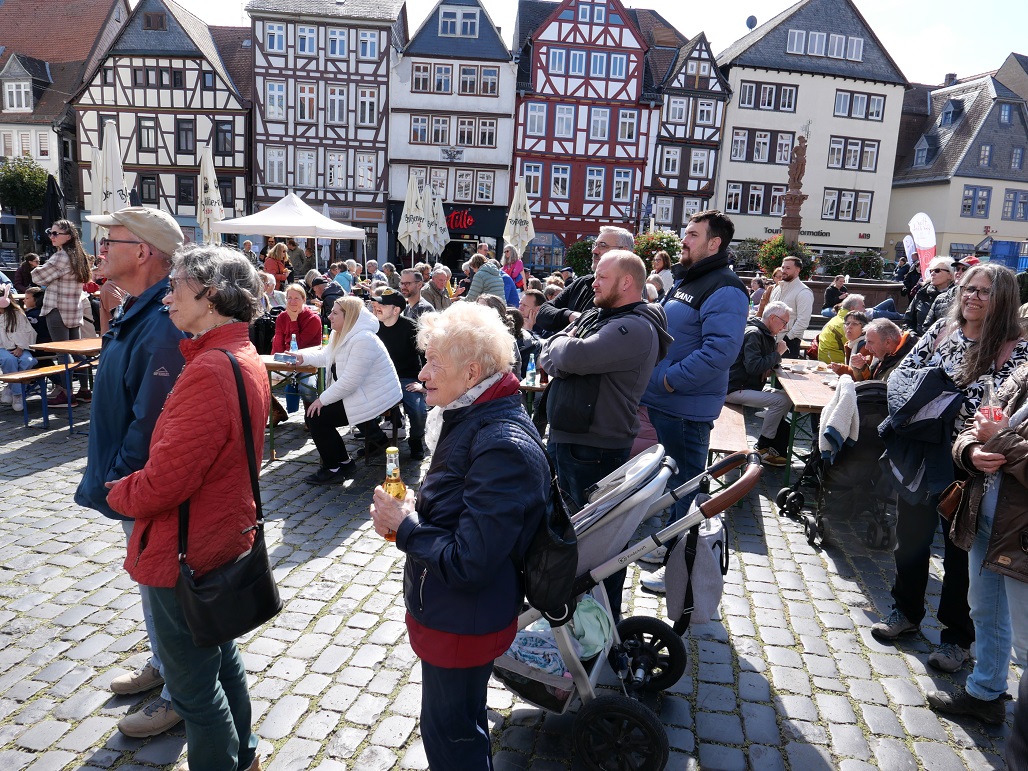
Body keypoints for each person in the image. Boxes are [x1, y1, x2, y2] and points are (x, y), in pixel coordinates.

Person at [105, 244, 269, 771]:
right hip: (216, 536)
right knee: (219, 657)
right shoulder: (239, 354)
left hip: (185, 548)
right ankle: (244, 756)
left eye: (176, 285)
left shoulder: (211, 368)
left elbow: (165, 482)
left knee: (195, 690)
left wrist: (117, 492)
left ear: (213, 295)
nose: (167, 296)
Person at [370, 302, 548, 771]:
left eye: (434, 363)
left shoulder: (497, 441)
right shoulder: (471, 413)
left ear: (471, 373)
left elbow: (471, 560)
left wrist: (405, 526)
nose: (423, 372)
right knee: (457, 722)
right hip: (457, 612)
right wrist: (414, 512)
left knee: (450, 734)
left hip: (462, 617)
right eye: (425, 359)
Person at [872, 264, 1028, 674]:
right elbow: (903, 375)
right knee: (911, 539)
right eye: (968, 289)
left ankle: (957, 639)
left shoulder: (1016, 349)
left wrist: (963, 418)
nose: (973, 297)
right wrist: (930, 396)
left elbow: (1005, 411)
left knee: (960, 555)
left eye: (985, 292)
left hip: (972, 464)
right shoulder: (943, 329)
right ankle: (904, 612)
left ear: (1004, 299)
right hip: (923, 453)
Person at [75, 206, 187, 739]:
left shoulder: (163, 322)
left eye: (109, 239)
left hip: (140, 489)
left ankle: (179, 692)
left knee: (168, 590)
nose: (98, 246)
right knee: (150, 586)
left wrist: (119, 482)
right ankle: (165, 667)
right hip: (128, 484)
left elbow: (153, 425)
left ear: (143, 251)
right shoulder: (139, 310)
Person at [539, 250, 671, 617]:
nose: (592, 283)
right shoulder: (605, 316)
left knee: (598, 546)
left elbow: (569, 356)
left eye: (600, 276)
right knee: (569, 534)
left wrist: (561, 352)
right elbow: (548, 350)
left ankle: (599, 624)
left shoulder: (634, 327)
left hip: (593, 450)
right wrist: (560, 351)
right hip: (574, 441)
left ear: (626, 282)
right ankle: (574, 613)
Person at [639, 210, 748, 594]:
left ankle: (679, 575)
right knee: (673, 488)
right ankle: (668, 550)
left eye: (691, 234)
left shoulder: (725, 287)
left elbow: (720, 352)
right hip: (668, 404)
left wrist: (668, 380)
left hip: (685, 407)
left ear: (713, 243)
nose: (682, 240)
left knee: (685, 491)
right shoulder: (692, 278)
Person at [925, 360, 1028, 725]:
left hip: (1022, 537)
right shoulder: (1022, 374)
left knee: (1027, 645)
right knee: (984, 612)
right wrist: (970, 452)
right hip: (987, 518)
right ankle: (985, 694)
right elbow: (979, 423)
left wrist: (1002, 439)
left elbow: (996, 430)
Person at [294, 296, 401, 483]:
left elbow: (350, 381)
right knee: (316, 416)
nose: (329, 316)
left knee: (316, 416)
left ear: (349, 316)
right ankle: (343, 463)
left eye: (335, 313)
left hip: (376, 396)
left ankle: (333, 468)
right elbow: (325, 356)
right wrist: (301, 357)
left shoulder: (364, 339)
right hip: (361, 392)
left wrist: (322, 399)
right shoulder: (341, 333)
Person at [30, 220, 92, 405]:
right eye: (51, 232)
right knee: (77, 352)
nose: (51, 236)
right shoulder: (79, 256)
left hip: (58, 309)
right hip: (74, 309)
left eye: (56, 233)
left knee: (62, 353)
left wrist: (39, 268)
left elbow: (37, 277)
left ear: (69, 236)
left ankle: (66, 393)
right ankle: (84, 390)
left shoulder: (61, 256)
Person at [724, 302, 793, 467]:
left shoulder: (764, 333)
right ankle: (763, 445)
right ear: (772, 318)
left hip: (747, 386)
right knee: (781, 401)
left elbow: (761, 364)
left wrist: (770, 362)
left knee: (787, 398)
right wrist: (777, 354)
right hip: (734, 389)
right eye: (783, 322)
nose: (785, 326)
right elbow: (754, 366)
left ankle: (772, 442)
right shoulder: (754, 333)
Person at [535, 226, 635, 333]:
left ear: (624, 252)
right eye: (595, 245)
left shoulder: (629, 291)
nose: (594, 251)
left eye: (603, 246)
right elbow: (543, 313)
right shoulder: (583, 283)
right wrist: (570, 316)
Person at [370, 289, 427, 461]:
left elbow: (427, 357)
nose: (377, 307)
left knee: (418, 411)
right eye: (377, 304)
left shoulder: (411, 328)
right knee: (355, 403)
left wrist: (424, 385)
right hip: (380, 379)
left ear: (396, 310)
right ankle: (377, 441)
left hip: (408, 379)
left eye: (383, 304)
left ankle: (416, 441)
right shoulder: (373, 327)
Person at [767, 256, 813, 358]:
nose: (783, 271)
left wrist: (787, 339)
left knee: (784, 373)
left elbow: (803, 321)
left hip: (789, 342)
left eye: (788, 268)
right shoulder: (777, 289)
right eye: (783, 267)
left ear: (797, 270)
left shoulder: (804, 292)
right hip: (770, 339)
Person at [843, 318, 917, 382]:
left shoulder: (909, 361)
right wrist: (861, 368)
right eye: (866, 342)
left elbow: (884, 391)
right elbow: (870, 381)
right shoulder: (882, 354)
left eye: (870, 342)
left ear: (887, 342)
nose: (866, 347)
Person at [0, 283, 36, 411]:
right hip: (1, 348)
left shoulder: (17, 314)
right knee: (9, 360)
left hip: (19, 347)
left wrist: (21, 347)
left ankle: (10, 387)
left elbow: (27, 332)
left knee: (28, 360)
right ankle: (18, 394)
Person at [904, 255, 954, 336]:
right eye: (931, 271)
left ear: (950, 275)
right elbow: (908, 320)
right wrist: (912, 336)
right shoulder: (923, 292)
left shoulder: (955, 297)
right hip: (916, 342)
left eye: (937, 271)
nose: (932, 274)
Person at [817, 294, 865, 365]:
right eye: (863, 307)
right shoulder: (844, 324)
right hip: (834, 364)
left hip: (827, 360)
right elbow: (854, 347)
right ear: (852, 309)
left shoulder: (838, 318)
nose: (865, 310)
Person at [94, 256, 129, 335]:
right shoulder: (121, 282)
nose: (98, 265)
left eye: (102, 262)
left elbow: (120, 318)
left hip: (114, 339)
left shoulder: (109, 287)